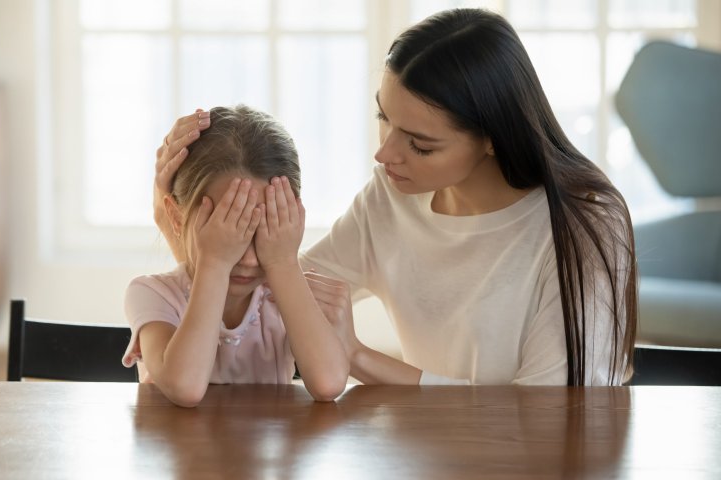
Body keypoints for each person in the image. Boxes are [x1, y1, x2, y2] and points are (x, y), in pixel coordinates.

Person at [153, 9, 638, 387]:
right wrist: (173, 214)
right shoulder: (394, 196)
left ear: (493, 137)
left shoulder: (586, 225)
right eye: (383, 117)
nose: (385, 154)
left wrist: (360, 358)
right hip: (424, 451)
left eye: (420, 144)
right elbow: (264, 287)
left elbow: (549, 414)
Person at [124, 105, 348, 407]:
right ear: (176, 218)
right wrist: (214, 263)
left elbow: (329, 383)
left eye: (265, 232)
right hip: (181, 454)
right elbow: (185, 387)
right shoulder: (153, 294)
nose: (250, 260)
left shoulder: (282, 292)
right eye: (229, 234)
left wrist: (282, 262)